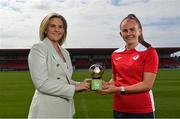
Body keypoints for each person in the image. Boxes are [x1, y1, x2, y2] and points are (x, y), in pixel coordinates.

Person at [28, 12, 90, 118]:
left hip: (65, 108)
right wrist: (74, 88)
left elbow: (64, 80)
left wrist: (83, 84)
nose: (57, 30)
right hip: (47, 109)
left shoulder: (65, 52)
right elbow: (41, 84)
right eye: (53, 26)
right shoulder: (39, 48)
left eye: (60, 27)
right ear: (45, 29)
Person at [100, 14, 159, 118]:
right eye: (125, 31)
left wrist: (119, 90)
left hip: (142, 110)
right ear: (120, 34)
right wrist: (105, 86)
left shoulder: (149, 52)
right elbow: (114, 80)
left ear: (139, 31)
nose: (129, 33)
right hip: (119, 108)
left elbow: (147, 85)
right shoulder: (115, 54)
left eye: (132, 29)